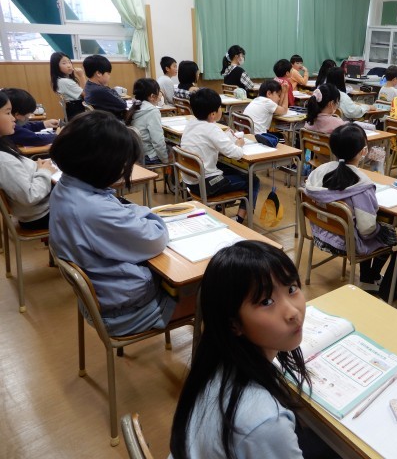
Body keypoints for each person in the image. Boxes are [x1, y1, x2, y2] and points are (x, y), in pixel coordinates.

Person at [170, 241, 338, 459]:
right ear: (233, 324)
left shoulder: (212, 363)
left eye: (291, 289)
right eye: (266, 301)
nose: (293, 312)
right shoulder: (265, 422)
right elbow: (265, 428)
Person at [49, 111, 193, 335]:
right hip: (128, 311)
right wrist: (149, 215)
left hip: (104, 295)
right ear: (100, 164)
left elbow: (122, 211)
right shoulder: (94, 210)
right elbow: (155, 238)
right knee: (214, 294)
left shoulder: (67, 186)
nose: (123, 170)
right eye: (121, 164)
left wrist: (135, 212)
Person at [304, 124, 397, 290]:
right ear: (363, 151)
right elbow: (367, 230)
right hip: (344, 243)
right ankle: (370, 278)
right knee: (387, 233)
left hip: (319, 232)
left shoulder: (319, 171)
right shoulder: (363, 186)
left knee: (364, 227)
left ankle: (367, 277)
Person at [180, 88, 259, 224]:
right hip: (206, 184)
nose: (221, 110)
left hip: (191, 181)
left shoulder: (191, 124)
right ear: (213, 114)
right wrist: (239, 144)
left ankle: (221, 207)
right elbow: (235, 153)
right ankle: (239, 220)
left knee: (234, 170)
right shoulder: (212, 129)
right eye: (219, 108)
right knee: (253, 180)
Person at [0, 91, 54, 230]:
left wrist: (37, 166)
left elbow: (18, 172)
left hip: (41, 209)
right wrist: (44, 172)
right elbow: (30, 196)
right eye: (8, 113)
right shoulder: (3, 160)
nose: (13, 118)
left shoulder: (4, 145)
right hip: (41, 215)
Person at [125, 78, 169, 164]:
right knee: (174, 150)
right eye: (159, 92)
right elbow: (158, 142)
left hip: (136, 154)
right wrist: (165, 161)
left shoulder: (134, 108)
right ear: (152, 96)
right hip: (149, 156)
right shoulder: (153, 111)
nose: (160, 94)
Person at [82, 54, 127, 119]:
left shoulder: (88, 85)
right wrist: (111, 89)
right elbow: (123, 105)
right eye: (108, 74)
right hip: (110, 122)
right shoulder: (100, 91)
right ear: (98, 73)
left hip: (98, 121)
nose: (109, 76)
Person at [50, 51, 86, 119]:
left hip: (72, 112)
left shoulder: (60, 80)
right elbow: (86, 95)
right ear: (56, 66)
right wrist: (82, 76)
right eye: (64, 63)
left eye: (69, 62)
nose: (69, 65)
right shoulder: (65, 81)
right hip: (77, 114)